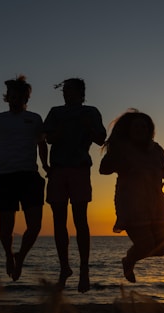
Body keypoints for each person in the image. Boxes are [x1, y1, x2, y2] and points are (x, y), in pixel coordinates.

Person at [99, 109, 164, 283]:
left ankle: (130, 259)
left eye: (144, 126)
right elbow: (103, 169)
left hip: (156, 203)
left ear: (149, 129)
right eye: (136, 126)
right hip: (132, 203)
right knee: (146, 245)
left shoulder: (156, 149)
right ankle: (129, 261)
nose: (140, 129)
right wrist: (121, 163)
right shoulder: (122, 148)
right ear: (129, 129)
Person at [43, 78, 106, 292]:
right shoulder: (55, 112)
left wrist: (87, 126)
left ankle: (84, 269)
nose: (66, 94)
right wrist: (58, 133)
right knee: (59, 221)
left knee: (80, 219)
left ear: (81, 93)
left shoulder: (90, 112)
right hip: (58, 169)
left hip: (79, 168)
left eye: (70, 90)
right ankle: (64, 267)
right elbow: (46, 138)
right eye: (64, 90)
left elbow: (101, 139)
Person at [0, 75, 49, 281]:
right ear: (7, 97)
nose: (15, 99)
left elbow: (42, 144)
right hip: (5, 177)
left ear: (25, 98)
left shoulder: (35, 119)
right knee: (6, 228)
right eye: (12, 96)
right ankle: (8, 255)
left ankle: (20, 257)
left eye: (19, 96)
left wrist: (46, 165)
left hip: (30, 176)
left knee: (35, 225)